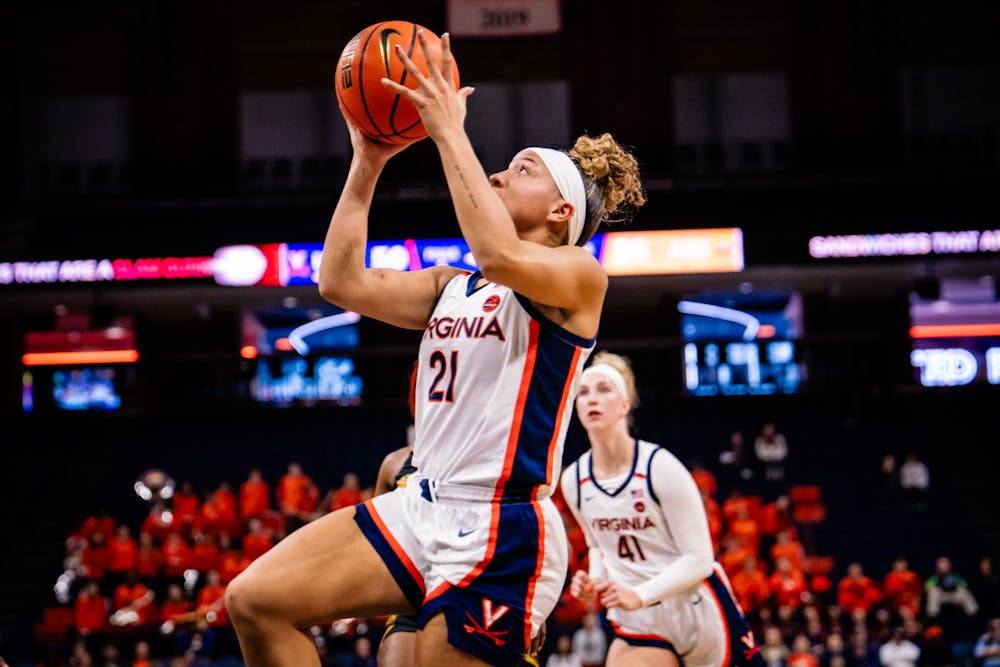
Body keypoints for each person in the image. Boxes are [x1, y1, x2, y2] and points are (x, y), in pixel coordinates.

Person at [225, 30, 644, 667]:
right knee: (254, 599)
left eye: (522, 168)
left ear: (562, 211)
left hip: (502, 524)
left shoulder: (581, 276)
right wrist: (367, 161)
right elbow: (339, 280)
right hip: (422, 504)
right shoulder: (453, 285)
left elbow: (499, 253)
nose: (500, 172)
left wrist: (448, 128)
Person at [560, 352, 763, 667]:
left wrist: (639, 594)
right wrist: (594, 579)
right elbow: (599, 545)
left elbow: (700, 560)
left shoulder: (659, 467)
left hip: (694, 609)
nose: (591, 399)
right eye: (583, 392)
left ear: (625, 404)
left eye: (603, 389)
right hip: (638, 619)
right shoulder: (573, 479)